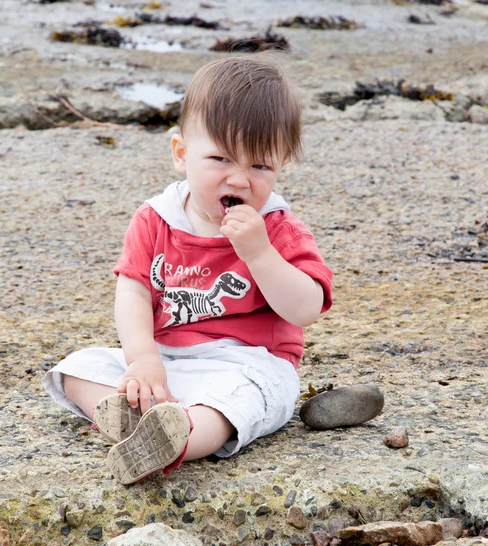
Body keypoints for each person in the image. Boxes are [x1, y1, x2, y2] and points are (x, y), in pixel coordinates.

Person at [42, 54, 333, 485]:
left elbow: (306, 308)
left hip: (248, 364)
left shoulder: (277, 229)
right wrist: (143, 359)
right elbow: (134, 291)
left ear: (281, 164)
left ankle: (178, 437)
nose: (238, 180)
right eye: (219, 159)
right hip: (166, 361)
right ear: (181, 154)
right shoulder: (156, 218)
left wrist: (259, 254)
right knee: (76, 369)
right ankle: (135, 417)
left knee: (234, 406)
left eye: (259, 166)